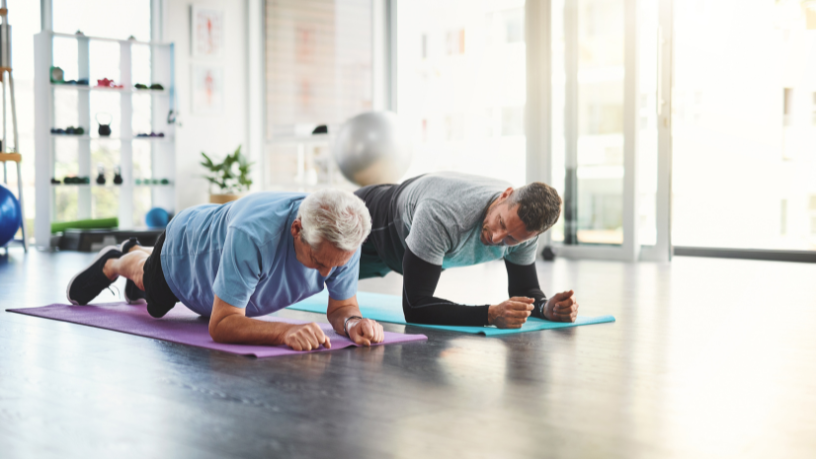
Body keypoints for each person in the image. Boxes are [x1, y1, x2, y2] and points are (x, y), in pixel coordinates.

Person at [66, 189, 385, 351]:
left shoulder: (342, 240)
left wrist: (353, 323)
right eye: (319, 263)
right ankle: (123, 257)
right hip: (188, 249)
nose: (329, 273)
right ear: (296, 230)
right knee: (155, 296)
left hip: (234, 268)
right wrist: (283, 332)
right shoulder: (255, 235)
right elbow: (221, 325)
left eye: (337, 265)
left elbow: (342, 307)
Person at [356, 171, 579, 329]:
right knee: (322, 275)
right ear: (505, 195)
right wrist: (490, 314)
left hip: (404, 252)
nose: (496, 238)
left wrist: (546, 308)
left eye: (511, 238)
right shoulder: (442, 214)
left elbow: (526, 290)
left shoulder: (523, 234)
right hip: (372, 222)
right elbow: (415, 307)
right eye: (500, 222)